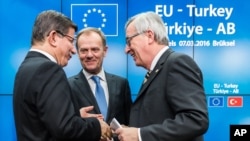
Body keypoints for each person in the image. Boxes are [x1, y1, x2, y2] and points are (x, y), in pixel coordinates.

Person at [13, 10, 111, 141]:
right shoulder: (48, 69)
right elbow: (66, 128)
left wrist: (76, 116)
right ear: (53, 37)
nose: (73, 49)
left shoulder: (26, 67)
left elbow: (46, 119)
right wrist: (98, 126)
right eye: (71, 40)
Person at [115, 11, 209, 141]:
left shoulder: (177, 63)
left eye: (129, 41)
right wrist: (131, 131)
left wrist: (140, 134)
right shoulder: (156, 70)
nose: (126, 49)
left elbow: (195, 120)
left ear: (149, 36)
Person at [68, 27, 132, 128]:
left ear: (105, 51)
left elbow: (130, 122)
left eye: (95, 49)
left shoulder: (121, 84)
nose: (89, 55)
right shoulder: (67, 86)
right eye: (84, 50)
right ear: (78, 53)